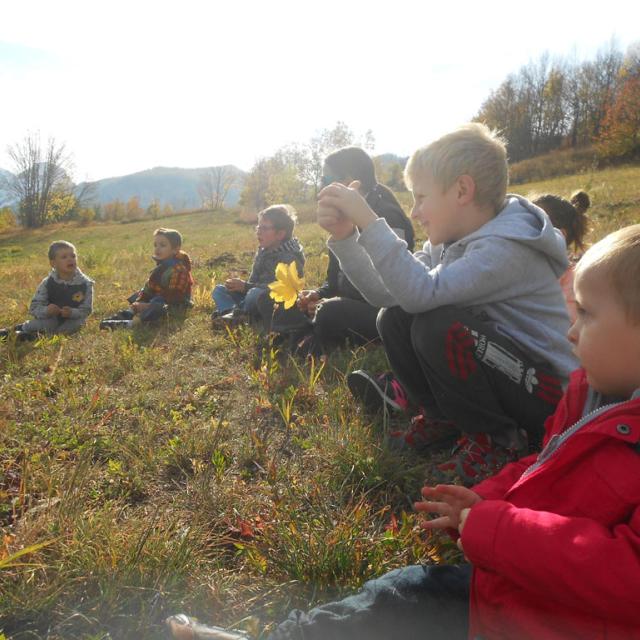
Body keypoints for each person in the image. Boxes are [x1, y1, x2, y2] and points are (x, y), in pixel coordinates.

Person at [167, 223, 640, 640]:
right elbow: (543, 467)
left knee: (401, 601)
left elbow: (627, 578)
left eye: (588, 315)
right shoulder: (591, 393)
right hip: (528, 592)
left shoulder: (507, 257)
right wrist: (488, 500)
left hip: (554, 618)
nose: (571, 332)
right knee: (399, 594)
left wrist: (495, 527)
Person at [318, 124, 577, 482]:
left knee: (435, 325)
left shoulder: (506, 248)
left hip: (549, 397)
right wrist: (347, 237)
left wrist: (369, 220)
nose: (414, 212)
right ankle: (443, 419)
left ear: (462, 190)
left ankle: (500, 442)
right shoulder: (450, 240)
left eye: (421, 198)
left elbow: (420, 293)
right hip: (509, 375)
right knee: (394, 316)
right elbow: (391, 294)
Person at [297, 147, 415, 357]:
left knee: (329, 312)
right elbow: (336, 280)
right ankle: (312, 328)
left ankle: (313, 336)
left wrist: (328, 303)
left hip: (383, 309)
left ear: (349, 180)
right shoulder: (342, 215)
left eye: (326, 179)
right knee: (291, 302)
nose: (321, 188)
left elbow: (390, 289)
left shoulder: (388, 215)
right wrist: (318, 294)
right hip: (351, 303)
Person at [211, 205, 307, 335]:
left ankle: (233, 314)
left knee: (254, 294)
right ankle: (235, 314)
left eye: (264, 228)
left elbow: (280, 288)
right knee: (219, 290)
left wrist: (246, 287)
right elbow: (254, 279)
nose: (258, 231)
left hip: (270, 300)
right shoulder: (264, 250)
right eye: (258, 227)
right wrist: (240, 286)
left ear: (280, 234)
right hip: (252, 294)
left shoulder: (289, 257)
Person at [0, 240, 93, 341]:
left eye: (73, 256)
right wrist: (47, 311)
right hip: (50, 318)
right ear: (53, 263)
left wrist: (72, 312)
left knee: (72, 327)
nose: (70, 259)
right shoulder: (48, 283)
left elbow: (87, 310)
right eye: (64, 257)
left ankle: (35, 337)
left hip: (73, 319)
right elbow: (34, 307)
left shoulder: (85, 284)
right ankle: (15, 331)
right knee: (47, 324)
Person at [100, 228, 193, 329]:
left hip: (176, 306)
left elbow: (175, 297)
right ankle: (128, 313)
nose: (157, 249)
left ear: (175, 249)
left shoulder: (179, 270)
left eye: (163, 245)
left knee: (158, 305)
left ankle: (132, 324)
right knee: (140, 294)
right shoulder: (161, 266)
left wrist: (147, 305)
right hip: (159, 300)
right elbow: (149, 287)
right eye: (155, 245)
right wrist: (140, 301)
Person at [533, 190, 590, 323]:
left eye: (529, 225)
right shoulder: (519, 266)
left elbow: (567, 325)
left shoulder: (573, 283)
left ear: (557, 236)